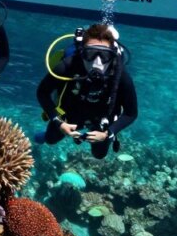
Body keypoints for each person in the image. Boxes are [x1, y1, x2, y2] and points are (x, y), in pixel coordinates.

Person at [35, 23, 137, 159]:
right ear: (82, 53)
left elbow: (131, 113)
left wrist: (108, 133)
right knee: (50, 139)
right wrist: (59, 122)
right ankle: (46, 135)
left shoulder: (120, 75)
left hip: (102, 116)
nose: (97, 63)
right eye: (90, 54)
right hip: (71, 111)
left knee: (99, 154)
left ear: (112, 56)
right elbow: (42, 93)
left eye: (104, 55)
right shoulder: (67, 66)